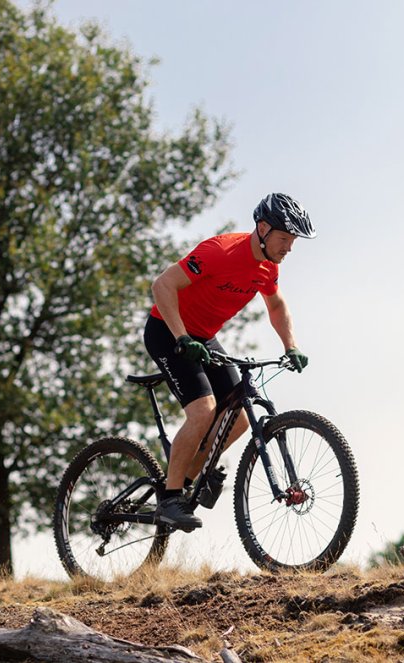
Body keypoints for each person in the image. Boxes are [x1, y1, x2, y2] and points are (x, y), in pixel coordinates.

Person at [144, 192, 316, 531]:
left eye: (293, 241)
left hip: (204, 336)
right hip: (167, 329)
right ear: (263, 229)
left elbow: (277, 306)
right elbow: (162, 285)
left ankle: (192, 476)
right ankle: (170, 497)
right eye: (285, 238)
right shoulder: (220, 252)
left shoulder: (268, 267)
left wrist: (291, 345)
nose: (289, 248)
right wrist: (181, 338)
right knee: (203, 411)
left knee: (237, 417)